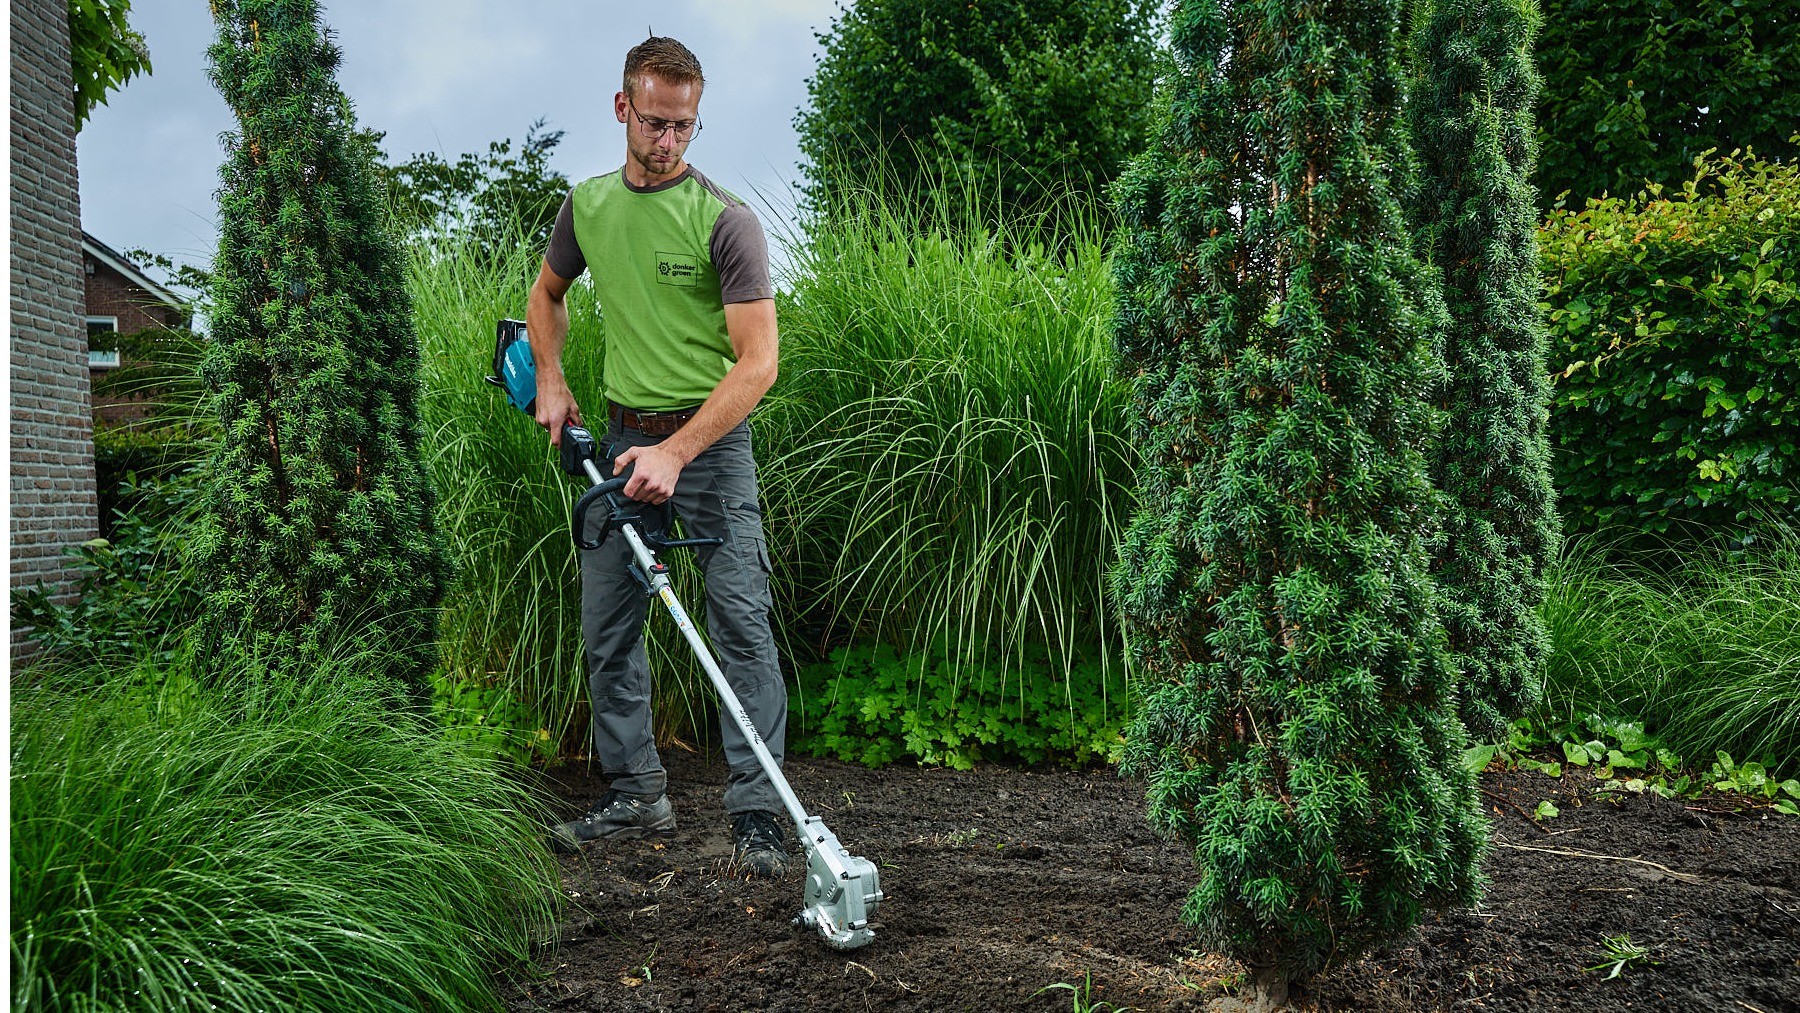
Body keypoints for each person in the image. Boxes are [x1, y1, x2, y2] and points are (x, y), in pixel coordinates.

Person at [528, 36, 788, 877]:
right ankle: (637, 792)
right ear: (622, 109)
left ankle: (759, 814)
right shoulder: (588, 207)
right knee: (609, 627)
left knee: (741, 625)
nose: (668, 141)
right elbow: (546, 296)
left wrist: (677, 450)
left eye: (684, 126)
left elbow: (758, 363)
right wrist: (555, 379)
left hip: (707, 446)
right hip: (618, 439)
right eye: (654, 122)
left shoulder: (725, 222)